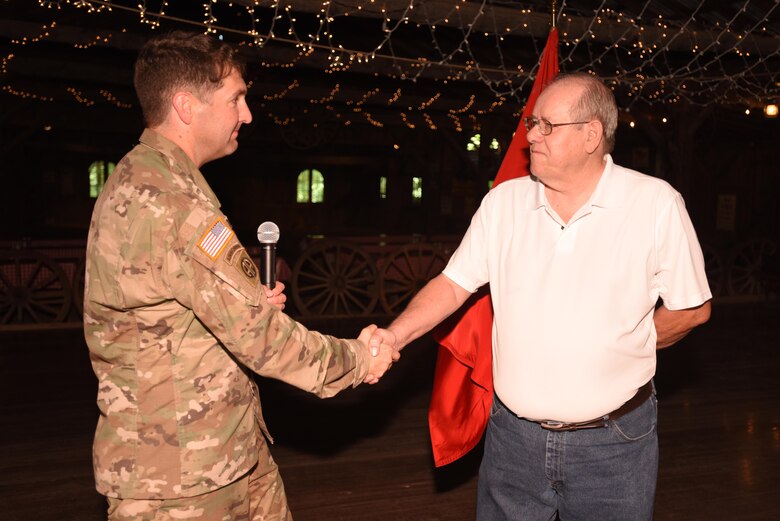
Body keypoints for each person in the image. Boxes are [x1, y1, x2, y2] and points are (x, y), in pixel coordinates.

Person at [370, 72, 712, 520]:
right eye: (532, 123)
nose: (531, 136)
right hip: (513, 439)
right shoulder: (504, 203)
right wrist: (394, 336)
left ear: (592, 134)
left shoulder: (654, 204)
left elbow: (692, 308)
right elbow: (453, 284)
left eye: (547, 126)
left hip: (613, 445)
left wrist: (630, 343)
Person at [83, 30, 395, 521]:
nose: (246, 115)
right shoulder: (174, 205)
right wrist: (358, 359)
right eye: (236, 99)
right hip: (182, 478)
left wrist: (244, 299)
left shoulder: (145, 175)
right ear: (186, 106)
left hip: (224, 448)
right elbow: (262, 339)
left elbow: (171, 307)